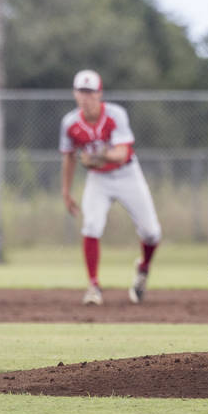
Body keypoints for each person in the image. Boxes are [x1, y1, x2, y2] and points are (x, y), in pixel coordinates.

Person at [59, 69, 162, 305]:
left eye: (90, 92)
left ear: (99, 93)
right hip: (98, 180)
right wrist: (66, 192)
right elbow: (68, 158)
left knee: (152, 233)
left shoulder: (115, 114)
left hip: (127, 174)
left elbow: (122, 153)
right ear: (75, 94)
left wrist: (98, 156)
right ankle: (93, 286)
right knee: (91, 226)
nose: (86, 97)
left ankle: (143, 268)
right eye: (81, 92)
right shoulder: (70, 123)